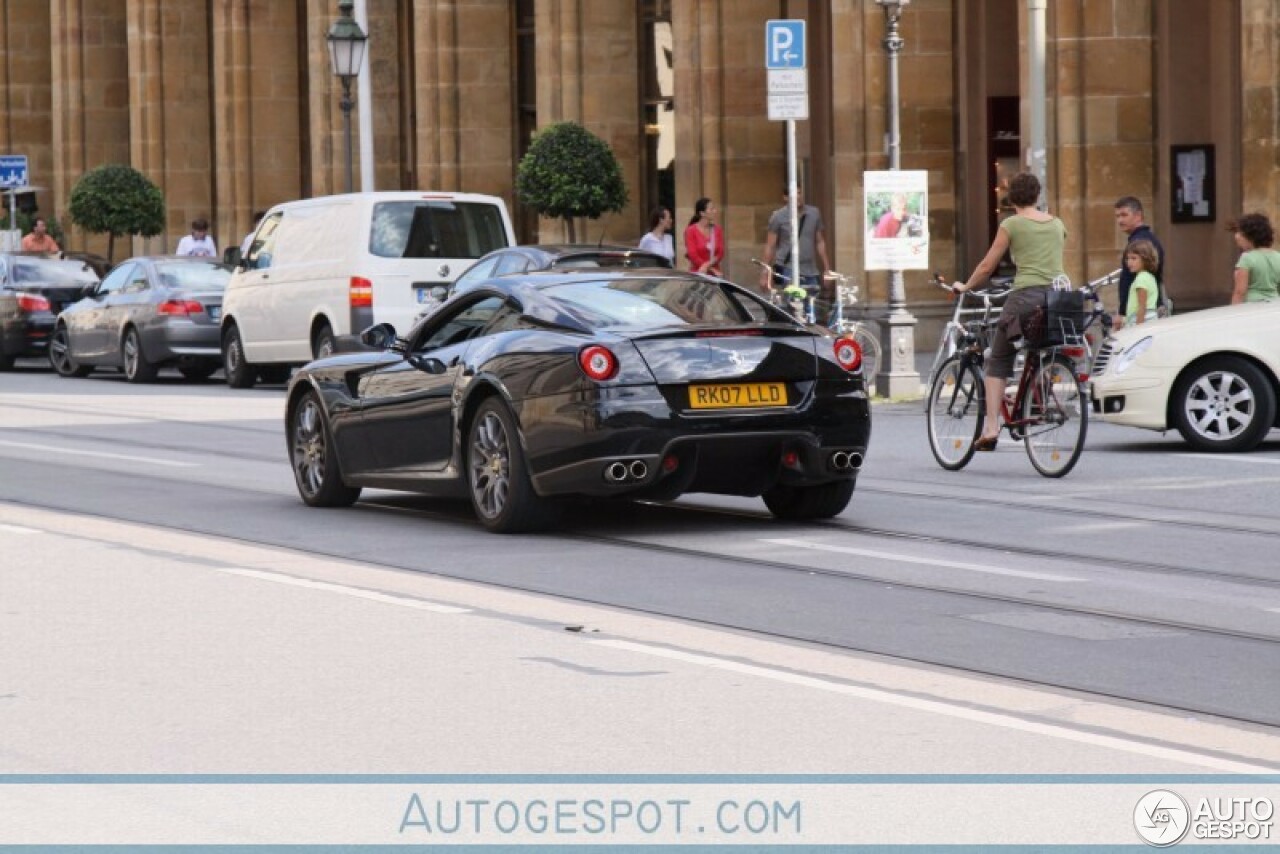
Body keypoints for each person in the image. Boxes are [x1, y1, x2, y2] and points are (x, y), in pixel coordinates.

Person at [953, 171, 1067, 451]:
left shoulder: (1012, 224)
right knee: (1037, 347)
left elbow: (987, 266)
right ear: (1037, 195)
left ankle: (991, 427)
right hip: (1057, 298)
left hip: (1025, 298)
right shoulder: (1057, 224)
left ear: (1011, 198)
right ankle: (1034, 400)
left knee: (999, 359)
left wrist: (966, 286)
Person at [759, 185, 830, 297]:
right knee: (793, 303)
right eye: (793, 194)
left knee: (811, 305)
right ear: (785, 198)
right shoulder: (778, 217)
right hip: (788, 268)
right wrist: (764, 272)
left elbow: (820, 242)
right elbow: (770, 246)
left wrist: (827, 269)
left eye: (799, 193)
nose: (797, 197)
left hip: (810, 269)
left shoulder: (814, 213)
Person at [1113, 196, 1164, 330]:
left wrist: (1122, 313)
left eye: (1124, 215)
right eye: (1117, 216)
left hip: (1139, 317)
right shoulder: (1144, 239)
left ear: (1138, 216)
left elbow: (1132, 284)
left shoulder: (1141, 242)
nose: (1120, 220)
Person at [1229, 212, 1280, 304]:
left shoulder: (1247, 258)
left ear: (1250, 236)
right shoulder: (1278, 256)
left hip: (1252, 306)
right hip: (1274, 304)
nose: (1237, 237)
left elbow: (1240, 291)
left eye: (1240, 233)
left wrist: (1234, 311)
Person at [1122, 239, 1160, 325]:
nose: (1129, 262)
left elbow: (1142, 306)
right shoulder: (1149, 276)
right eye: (1128, 258)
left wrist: (1138, 328)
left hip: (1142, 320)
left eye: (1134, 258)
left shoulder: (1141, 278)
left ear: (1145, 259)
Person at [684, 197, 723, 276]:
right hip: (698, 273)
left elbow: (720, 253)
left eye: (714, 208)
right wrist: (711, 269)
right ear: (702, 213)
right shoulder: (691, 231)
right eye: (711, 209)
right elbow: (693, 255)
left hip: (715, 275)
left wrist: (707, 265)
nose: (715, 211)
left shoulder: (717, 230)